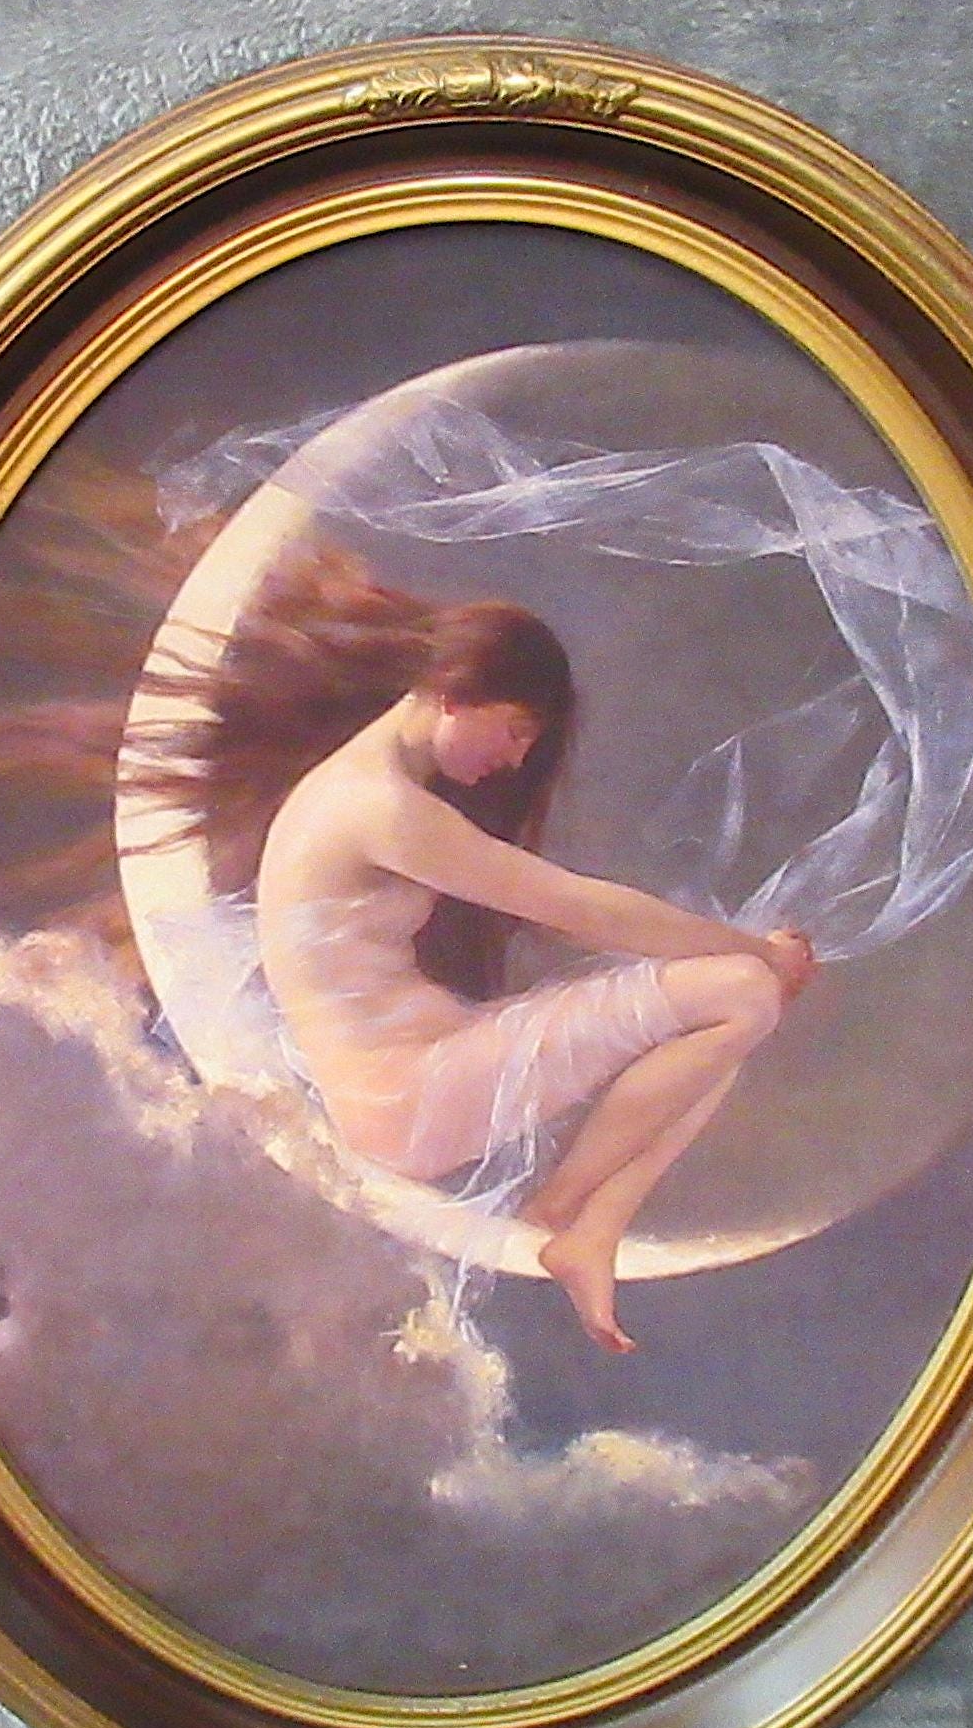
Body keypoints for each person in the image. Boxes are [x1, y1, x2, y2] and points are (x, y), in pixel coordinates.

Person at [121, 550, 814, 1353]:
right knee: (743, 990)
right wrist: (757, 948)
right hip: (408, 1097)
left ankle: (592, 1230)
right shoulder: (379, 807)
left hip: (427, 1072)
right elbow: (579, 907)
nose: (515, 760)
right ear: (456, 690)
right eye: (516, 730)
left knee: (727, 1017)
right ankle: (563, 1211)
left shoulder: (365, 789)